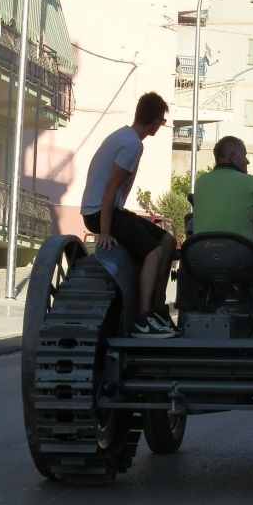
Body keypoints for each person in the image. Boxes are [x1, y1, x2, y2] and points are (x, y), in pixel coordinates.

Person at [81, 91, 177, 338]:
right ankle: (143, 320)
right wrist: (104, 230)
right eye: (162, 122)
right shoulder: (131, 143)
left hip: (110, 209)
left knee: (167, 240)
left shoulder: (126, 137)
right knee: (154, 253)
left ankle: (157, 308)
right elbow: (112, 186)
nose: (160, 125)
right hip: (99, 212)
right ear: (156, 121)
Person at [192, 136, 253, 268]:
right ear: (232, 157)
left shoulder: (200, 182)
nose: (247, 161)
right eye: (244, 155)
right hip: (240, 257)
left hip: (203, 256)